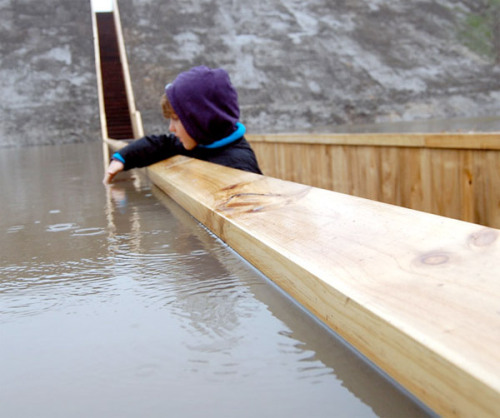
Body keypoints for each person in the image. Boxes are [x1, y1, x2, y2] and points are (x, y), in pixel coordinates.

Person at [103, 66, 262, 184]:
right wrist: (122, 158)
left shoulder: (239, 167)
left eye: (176, 119)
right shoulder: (201, 142)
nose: (171, 128)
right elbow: (159, 144)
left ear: (201, 120)